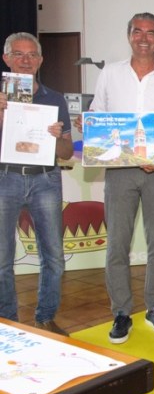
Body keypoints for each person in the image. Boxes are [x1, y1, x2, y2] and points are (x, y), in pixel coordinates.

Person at [86, 13, 154, 344]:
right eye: (138, 31)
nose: (144, 38)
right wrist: (90, 127)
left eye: (151, 33)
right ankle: (121, 312)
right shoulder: (110, 74)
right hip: (120, 172)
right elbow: (97, 113)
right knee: (117, 244)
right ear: (129, 36)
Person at [0, 33, 73, 335]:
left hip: (45, 178)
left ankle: (45, 316)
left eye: (32, 55)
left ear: (41, 61)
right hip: (5, 177)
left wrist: (57, 138)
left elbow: (67, 153)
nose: (26, 60)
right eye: (19, 54)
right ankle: (8, 323)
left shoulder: (55, 99)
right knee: (2, 259)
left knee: (54, 256)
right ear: (6, 58)